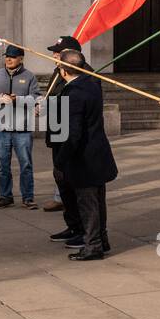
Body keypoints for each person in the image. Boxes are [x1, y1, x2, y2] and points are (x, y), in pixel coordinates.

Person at [52, 51, 116, 260]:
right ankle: (101, 240)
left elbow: (73, 132)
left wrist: (62, 159)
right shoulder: (91, 84)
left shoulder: (75, 93)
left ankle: (93, 246)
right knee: (98, 202)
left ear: (63, 71)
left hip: (84, 158)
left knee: (88, 204)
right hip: (97, 153)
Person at [44, 36, 96, 243]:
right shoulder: (58, 73)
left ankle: (85, 231)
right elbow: (55, 99)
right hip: (58, 135)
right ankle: (73, 225)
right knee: (63, 183)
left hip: (72, 139)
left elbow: (79, 109)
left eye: (58, 52)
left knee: (77, 187)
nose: (54, 56)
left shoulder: (85, 76)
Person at [0, 44, 40, 209]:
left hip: (22, 129)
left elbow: (36, 98)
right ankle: (5, 196)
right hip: (1, 129)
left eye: (13, 56)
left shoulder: (29, 77)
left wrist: (19, 99)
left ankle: (28, 197)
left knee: (26, 164)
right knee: (3, 164)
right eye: (7, 56)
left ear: (21, 59)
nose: (9, 59)